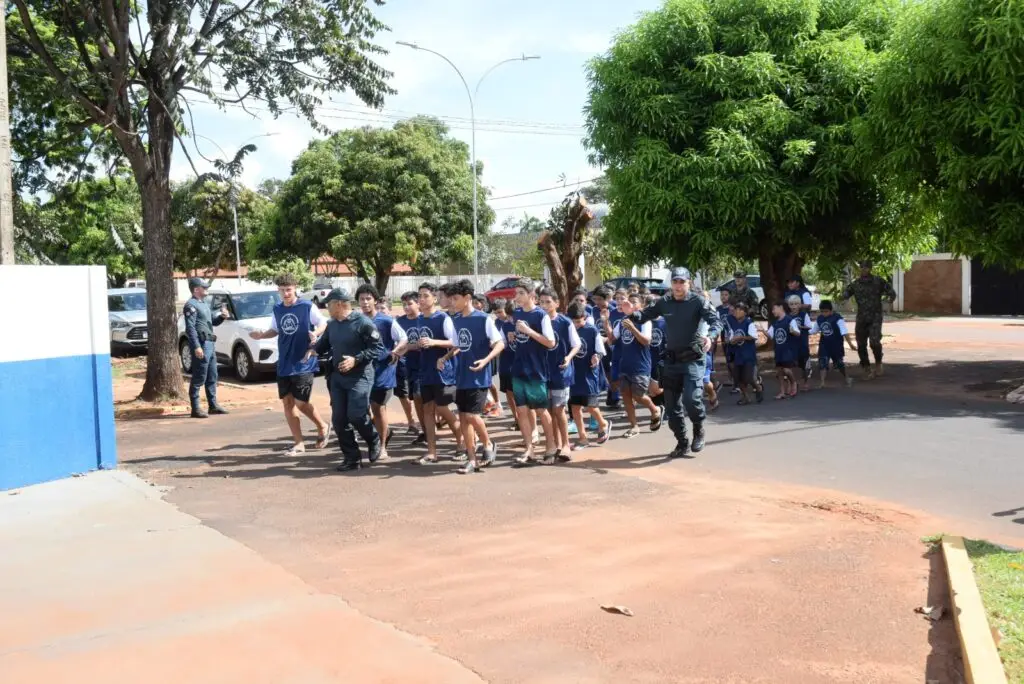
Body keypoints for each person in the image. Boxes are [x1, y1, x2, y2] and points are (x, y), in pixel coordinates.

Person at [629, 267, 720, 458]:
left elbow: (716, 321)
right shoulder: (665, 302)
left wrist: (710, 337)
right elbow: (645, 315)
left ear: (689, 283)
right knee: (671, 407)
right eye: (675, 282)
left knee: (691, 399)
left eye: (682, 282)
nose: (678, 286)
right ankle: (682, 442)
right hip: (671, 361)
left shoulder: (698, 302)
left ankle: (698, 429)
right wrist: (632, 313)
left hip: (693, 360)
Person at [248, 274, 331, 455]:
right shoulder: (277, 309)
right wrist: (261, 335)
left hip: (303, 361)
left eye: (289, 289)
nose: (286, 293)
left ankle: (323, 426)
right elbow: (275, 330)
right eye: (282, 290)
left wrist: (315, 333)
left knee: (301, 402)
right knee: (288, 403)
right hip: (284, 362)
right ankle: (299, 443)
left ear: (295, 288)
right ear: (278, 290)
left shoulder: (307, 306)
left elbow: (323, 322)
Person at [308, 288, 384, 472]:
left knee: (356, 414)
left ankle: (374, 438)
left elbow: (378, 348)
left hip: (360, 376)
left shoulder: (362, 323)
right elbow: (324, 343)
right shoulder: (332, 324)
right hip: (337, 378)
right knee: (339, 419)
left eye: (329, 305)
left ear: (340, 304)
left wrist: (356, 359)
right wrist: (313, 350)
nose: (327, 308)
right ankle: (352, 458)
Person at [440, 280, 505, 473]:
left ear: (467, 298)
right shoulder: (457, 319)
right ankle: (471, 458)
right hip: (462, 376)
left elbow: (499, 344)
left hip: (479, 376)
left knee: (472, 415)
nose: (452, 302)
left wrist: (486, 360)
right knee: (464, 417)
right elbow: (459, 344)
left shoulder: (483, 319)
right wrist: (446, 356)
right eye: (450, 298)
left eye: (455, 298)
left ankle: (488, 443)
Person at [508, 277, 558, 465]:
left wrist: (529, 332)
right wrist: (515, 334)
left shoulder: (540, 315)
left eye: (521, 293)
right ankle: (529, 448)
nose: (517, 297)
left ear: (531, 295)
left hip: (536, 370)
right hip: (518, 368)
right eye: (516, 293)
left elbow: (550, 342)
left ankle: (551, 446)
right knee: (522, 411)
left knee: (541, 410)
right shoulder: (517, 313)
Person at [357, 284, 408, 461]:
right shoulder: (355, 320)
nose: (365, 302)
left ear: (375, 300)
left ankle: (382, 447)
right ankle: (382, 434)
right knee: (361, 410)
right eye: (362, 299)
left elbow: (403, 338)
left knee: (379, 408)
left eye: (368, 298)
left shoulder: (386, 321)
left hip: (382, 371)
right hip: (361, 371)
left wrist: (396, 352)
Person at [415, 282, 465, 464]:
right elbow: (420, 342)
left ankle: (462, 442)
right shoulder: (420, 319)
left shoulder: (443, 318)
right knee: (427, 410)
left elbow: (455, 342)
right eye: (419, 296)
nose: (421, 299)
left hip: (443, 371)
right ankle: (431, 451)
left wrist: (434, 343)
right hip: (425, 369)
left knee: (443, 408)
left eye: (426, 295)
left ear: (434, 298)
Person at [538, 286, 582, 461]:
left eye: (548, 302)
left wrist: (569, 357)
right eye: (541, 302)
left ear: (556, 303)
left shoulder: (564, 322)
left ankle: (565, 444)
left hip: (561, 372)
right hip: (542, 372)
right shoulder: (537, 321)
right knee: (548, 411)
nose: (545, 305)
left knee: (558, 409)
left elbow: (576, 344)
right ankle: (554, 444)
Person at [614, 293, 663, 437]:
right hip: (625, 365)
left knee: (638, 396)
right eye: (628, 301)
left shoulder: (645, 321)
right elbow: (611, 339)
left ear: (640, 306)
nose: (629, 303)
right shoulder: (622, 320)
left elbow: (646, 341)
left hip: (640, 365)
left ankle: (655, 410)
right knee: (626, 396)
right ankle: (634, 426)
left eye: (633, 302)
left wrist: (633, 329)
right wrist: (605, 323)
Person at [183, 277, 231, 418]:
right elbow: (190, 328)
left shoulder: (203, 304)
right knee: (199, 376)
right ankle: (195, 408)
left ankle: (213, 405)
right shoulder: (190, 305)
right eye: (204, 287)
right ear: (196, 289)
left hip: (210, 343)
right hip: (202, 344)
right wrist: (197, 346)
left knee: (212, 375)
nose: (207, 289)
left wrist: (222, 317)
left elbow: (212, 323)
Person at [839, 260, 896, 378]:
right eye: (862, 267)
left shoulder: (878, 281)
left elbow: (891, 293)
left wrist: (887, 303)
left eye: (866, 268)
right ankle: (866, 367)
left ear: (870, 268)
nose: (863, 270)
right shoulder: (855, 284)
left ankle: (878, 363)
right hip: (861, 318)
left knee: (874, 342)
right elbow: (844, 295)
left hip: (875, 316)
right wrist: (842, 296)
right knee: (861, 344)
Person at [567, 301, 612, 449]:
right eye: (573, 321)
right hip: (574, 374)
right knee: (575, 407)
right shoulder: (568, 329)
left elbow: (600, 350)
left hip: (589, 374)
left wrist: (597, 357)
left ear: (585, 318)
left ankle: (603, 423)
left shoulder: (592, 331)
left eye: (579, 321)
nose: (576, 324)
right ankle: (582, 438)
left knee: (590, 406)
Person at [396, 291, 425, 440]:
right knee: (416, 398)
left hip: (425, 365)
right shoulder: (400, 321)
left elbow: (424, 343)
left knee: (423, 396)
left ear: (418, 304)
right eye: (404, 304)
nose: (406, 307)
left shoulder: (424, 319)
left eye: (410, 304)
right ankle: (425, 430)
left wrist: (408, 346)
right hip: (410, 366)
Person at [810, 300, 858, 388]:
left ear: (831, 311)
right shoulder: (820, 319)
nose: (824, 313)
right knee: (822, 363)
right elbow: (814, 330)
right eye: (822, 311)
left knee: (839, 363)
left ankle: (847, 378)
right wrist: (802, 331)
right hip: (824, 345)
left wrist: (850, 344)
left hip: (836, 345)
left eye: (826, 311)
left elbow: (844, 332)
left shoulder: (838, 318)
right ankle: (822, 382)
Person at [726, 302, 763, 404]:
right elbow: (731, 338)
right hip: (738, 354)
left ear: (745, 312)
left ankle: (758, 388)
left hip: (748, 354)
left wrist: (742, 337)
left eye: (740, 310)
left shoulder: (749, 323)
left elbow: (754, 337)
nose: (737, 312)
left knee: (749, 377)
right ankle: (746, 397)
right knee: (738, 378)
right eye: (736, 310)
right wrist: (732, 340)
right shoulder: (733, 324)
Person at [767, 301, 802, 399]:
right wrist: (761, 330)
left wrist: (793, 331)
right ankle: (782, 391)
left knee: (787, 370)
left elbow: (798, 333)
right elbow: (770, 336)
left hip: (788, 350)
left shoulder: (790, 320)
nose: (773, 311)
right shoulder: (775, 323)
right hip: (778, 350)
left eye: (774, 309)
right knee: (780, 372)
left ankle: (793, 382)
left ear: (781, 307)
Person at [493, 298, 520, 429]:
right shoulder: (504, 325)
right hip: (506, 363)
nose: (510, 319)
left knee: (521, 394)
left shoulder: (525, 324)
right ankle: (517, 419)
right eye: (508, 316)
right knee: (509, 393)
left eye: (512, 316)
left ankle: (526, 421)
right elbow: (499, 343)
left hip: (521, 363)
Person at [786, 294, 814, 391]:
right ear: (789, 305)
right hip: (791, 344)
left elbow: (809, 326)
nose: (794, 306)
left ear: (800, 305)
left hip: (802, 343)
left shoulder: (803, 315)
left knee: (804, 364)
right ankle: (794, 382)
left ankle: (806, 383)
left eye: (796, 304)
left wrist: (798, 327)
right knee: (792, 364)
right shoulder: (787, 316)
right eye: (791, 304)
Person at [716, 289, 737, 390]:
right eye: (722, 295)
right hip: (724, 336)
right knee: (728, 359)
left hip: (734, 336)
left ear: (730, 296)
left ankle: (738, 379)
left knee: (735, 359)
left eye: (726, 295)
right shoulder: (718, 309)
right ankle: (731, 378)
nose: (723, 297)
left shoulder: (733, 308)